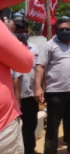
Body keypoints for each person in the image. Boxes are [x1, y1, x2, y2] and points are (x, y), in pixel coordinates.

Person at [35, 17, 70, 154]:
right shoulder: (49, 46)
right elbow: (40, 67)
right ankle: (50, 151)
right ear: (56, 30)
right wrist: (38, 87)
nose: (65, 31)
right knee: (53, 124)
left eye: (67, 29)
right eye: (61, 29)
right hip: (56, 91)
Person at [0, 20, 34, 154]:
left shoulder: (34, 47)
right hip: (3, 124)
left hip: (28, 94)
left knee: (31, 124)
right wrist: (7, 34)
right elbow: (25, 63)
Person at [11, 20, 41, 154]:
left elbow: (40, 69)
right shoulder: (10, 48)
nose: (23, 34)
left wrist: (41, 88)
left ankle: (29, 150)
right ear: (14, 32)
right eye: (19, 31)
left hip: (31, 93)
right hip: (14, 96)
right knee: (14, 126)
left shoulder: (34, 48)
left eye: (25, 31)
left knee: (31, 124)